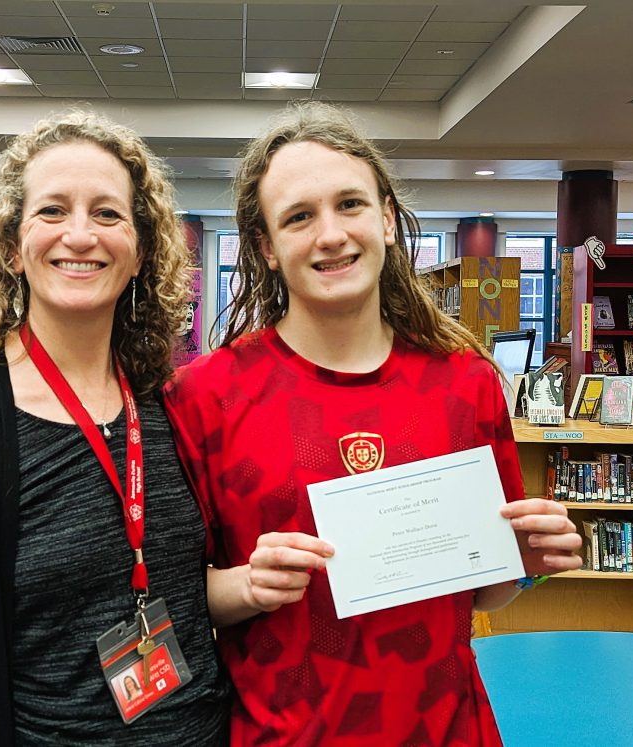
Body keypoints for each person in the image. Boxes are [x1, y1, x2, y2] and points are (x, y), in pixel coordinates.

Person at [164, 102, 582, 746]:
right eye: (299, 217)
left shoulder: (464, 382)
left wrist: (520, 563)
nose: (330, 234)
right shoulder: (204, 395)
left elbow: (483, 594)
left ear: (386, 219)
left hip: (445, 728)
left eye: (350, 205)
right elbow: (176, 598)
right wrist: (249, 584)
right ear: (266, 249)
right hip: (283, 733)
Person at [0, 111, 230, 746]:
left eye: (107, 213)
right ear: (12, 246)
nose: (80, 235)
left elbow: (178, 577)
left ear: (141, 250)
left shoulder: (164, 398)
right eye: (51, 211)